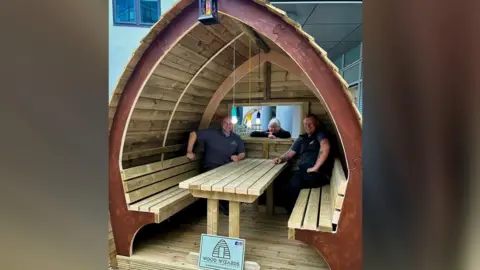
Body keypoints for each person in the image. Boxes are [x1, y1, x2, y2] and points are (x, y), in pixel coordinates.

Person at [272, 114, 333, 214]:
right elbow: (289, 154)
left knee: (293, 184)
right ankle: (287, 211)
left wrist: (315, 167)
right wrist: (281, 158)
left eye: (310, 124)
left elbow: (325, 147)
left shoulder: (320, 134)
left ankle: (294, 215)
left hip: (317, 174)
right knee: (278, 181)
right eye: (305, 124)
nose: (307, 126)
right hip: (302, 172)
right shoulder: (301, 138)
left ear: (316, 123)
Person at [186, 116, 246, 215]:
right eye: (226, 123)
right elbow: (193, 134)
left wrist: (238, 157)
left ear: (233, 125)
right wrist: (189, 151)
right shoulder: (212, 133)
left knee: (239, 179)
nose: (228, 125)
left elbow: (242, 152)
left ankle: (233, 204)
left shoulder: (236, 138)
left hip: (227, 168)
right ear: (222, 124)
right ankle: (228, 208)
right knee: (220, 182)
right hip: (211, 167)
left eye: (230, 123)